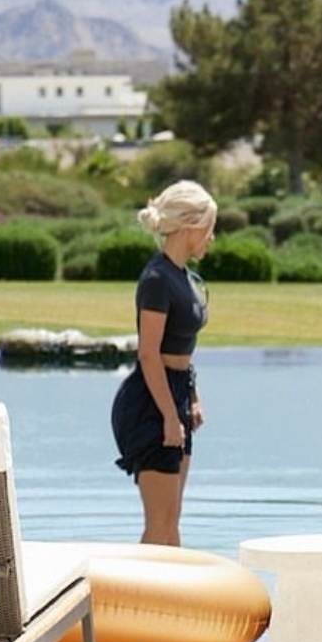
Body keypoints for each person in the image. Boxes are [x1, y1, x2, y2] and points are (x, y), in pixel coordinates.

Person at [111, 180, 216, 546]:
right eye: (209, 228)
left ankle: (174, 586)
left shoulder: (183, 276)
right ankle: (136, 586)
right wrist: (169, 416)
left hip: (177, 393)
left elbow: (183, 347)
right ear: (191, 226)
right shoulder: (157, 279)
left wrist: (192, 397)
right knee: (160, 523)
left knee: (171, 521)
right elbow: (148, 353)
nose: (211, 237)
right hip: (151, 402)